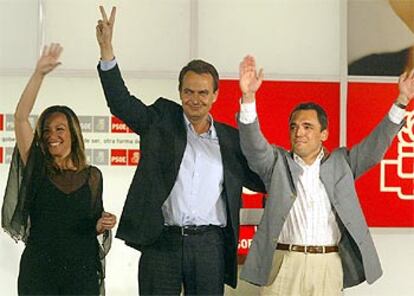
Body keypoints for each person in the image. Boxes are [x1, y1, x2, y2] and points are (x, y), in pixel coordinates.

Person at [96, 6, 265, 295]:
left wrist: (248, 99)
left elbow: (262, 177)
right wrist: (107, 50)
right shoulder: (161, 121)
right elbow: (121, 103)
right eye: (188, 91)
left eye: (202, 93)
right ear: (179, 92)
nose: (195, 99)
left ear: (215, 95)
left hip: (210, 245)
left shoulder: (230, 139)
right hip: (162, 242)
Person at [237, 55, 413, 295]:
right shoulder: (277, 163)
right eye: (294, 127)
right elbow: (254, 146)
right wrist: (248, 98)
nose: (299, 132)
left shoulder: (343, 163)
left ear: (324, 134)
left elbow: (374, 147)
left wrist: (401, 100)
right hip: (285, 263)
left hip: (328, 264)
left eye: (308, 127)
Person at [1, 43, 117, 295]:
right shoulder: (36, 168)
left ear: (73, 133)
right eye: (47, 130)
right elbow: (20, 117)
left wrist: (103, 223)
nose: (52, 135)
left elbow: (93, 224)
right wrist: (39, 74)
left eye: (59, 129)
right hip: (40, 270)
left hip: (82, 270)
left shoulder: (92, 176)